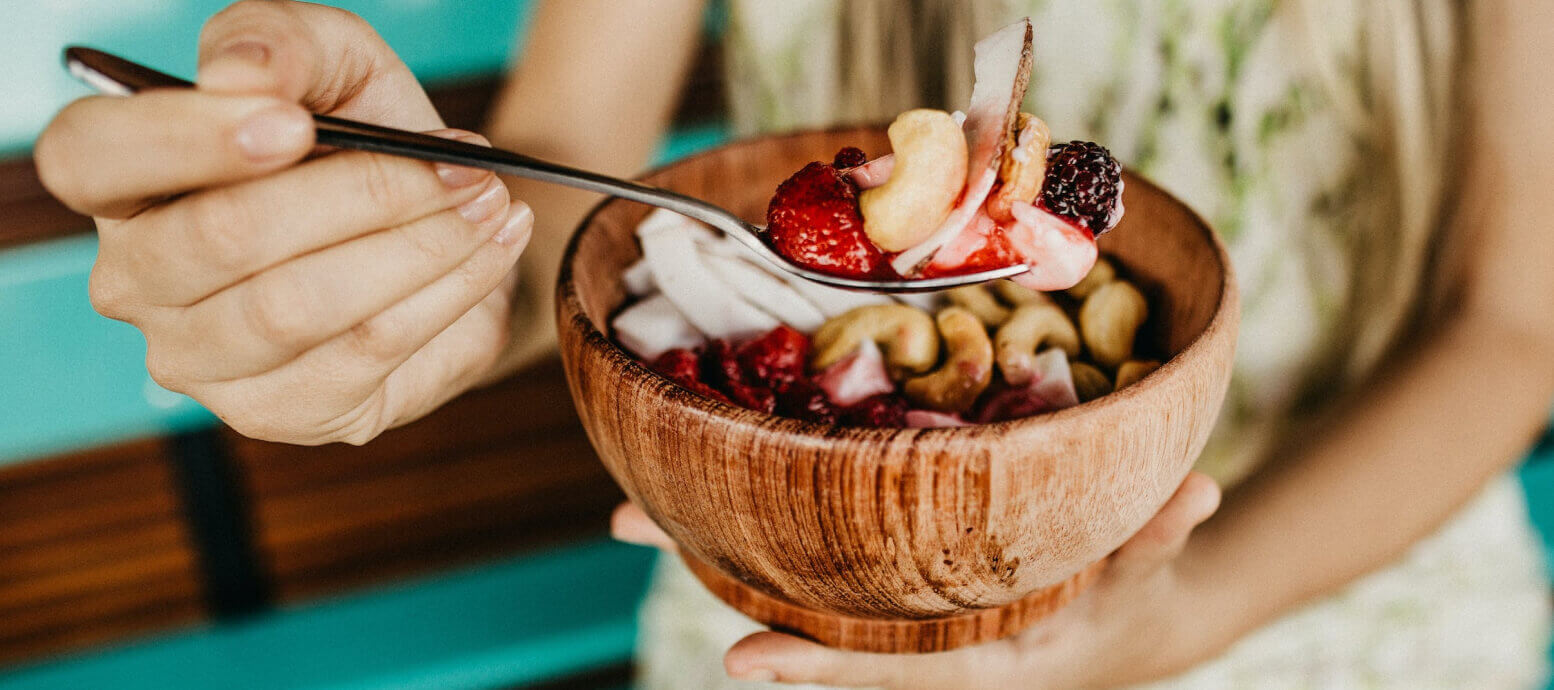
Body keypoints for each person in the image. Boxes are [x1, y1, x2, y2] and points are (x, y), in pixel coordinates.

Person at [32, 1, 1554, 687]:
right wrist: (408, 269)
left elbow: (1516, 325)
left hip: (1328, 582)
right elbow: (565, 199)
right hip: (805, 585)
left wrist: (1168, 624)